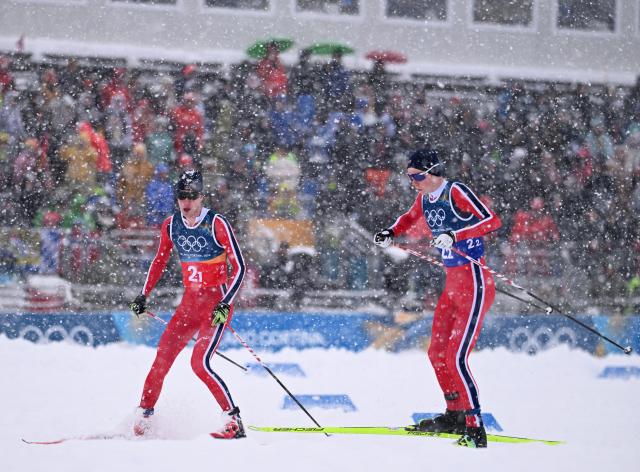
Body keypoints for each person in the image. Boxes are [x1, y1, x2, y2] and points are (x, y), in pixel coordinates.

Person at [374, 148, 502, 448]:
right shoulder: (423, 197)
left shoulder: (455, 191)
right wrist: (390, 232)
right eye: (410, 178)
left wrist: (456, 236)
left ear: (433, 172)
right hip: (452, 286)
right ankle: (454, 414)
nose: (413, 182)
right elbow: (408, 218)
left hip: (474, 284)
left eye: (417, 176)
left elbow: (491, 220)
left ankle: (475, 426)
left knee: (456, 358)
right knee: (437, 354)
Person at [129, 169, 246, 439]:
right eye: (182, 196)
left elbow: (239, 266)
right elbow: (159, 261)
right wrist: (143, 295)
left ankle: (233, 420)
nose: (187, 201)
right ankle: (145, 414)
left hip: (215, 306)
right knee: (162, 358)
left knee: (200, 364)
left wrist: (226, 303)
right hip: (189, 306)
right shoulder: (171, 225)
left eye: (192, 196)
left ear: (201, 197)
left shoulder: (216, 223)